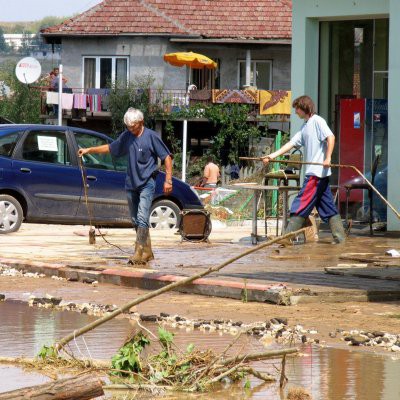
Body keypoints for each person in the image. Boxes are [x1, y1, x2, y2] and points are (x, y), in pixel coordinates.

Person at [78, 108, 173, 265]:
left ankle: (139, 251)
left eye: (133, 127)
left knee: (142, 217)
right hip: (131, 183)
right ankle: (148, 251)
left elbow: (167, 157)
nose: (130, 129)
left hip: (147, 182)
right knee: (135, 219)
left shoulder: (151, 137)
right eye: (128, 127)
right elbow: (110, 148)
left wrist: (168, 180)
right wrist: (89, 150)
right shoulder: (127, 136)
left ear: (140, 123)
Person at [262, 95, 346, 244]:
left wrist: (328, 158)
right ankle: (340, 238)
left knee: (301, 203)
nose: (296, 112)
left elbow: (331, 137)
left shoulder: (317, 121)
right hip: (319, 175)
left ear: (304, 108)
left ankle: (286, 238)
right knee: (327, 206)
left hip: (316, 173)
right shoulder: (305, 126)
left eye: (297, 109)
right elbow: (291, 144)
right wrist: (271, 156)